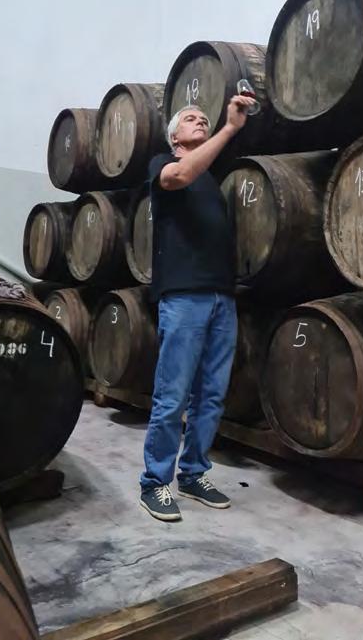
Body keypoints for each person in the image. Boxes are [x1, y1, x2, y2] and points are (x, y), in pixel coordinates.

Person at [139, 94, 255, 521]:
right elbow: (181, 175)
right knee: (173, 396)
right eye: (190, 118)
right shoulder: (164, 165)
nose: (199, 120)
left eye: (204, 118)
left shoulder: (212, 182)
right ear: (174, 139)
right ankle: (154, 481)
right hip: (184, 295)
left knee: (212, 396)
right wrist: (229, 128)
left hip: (222, 297)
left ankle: (192, 473)